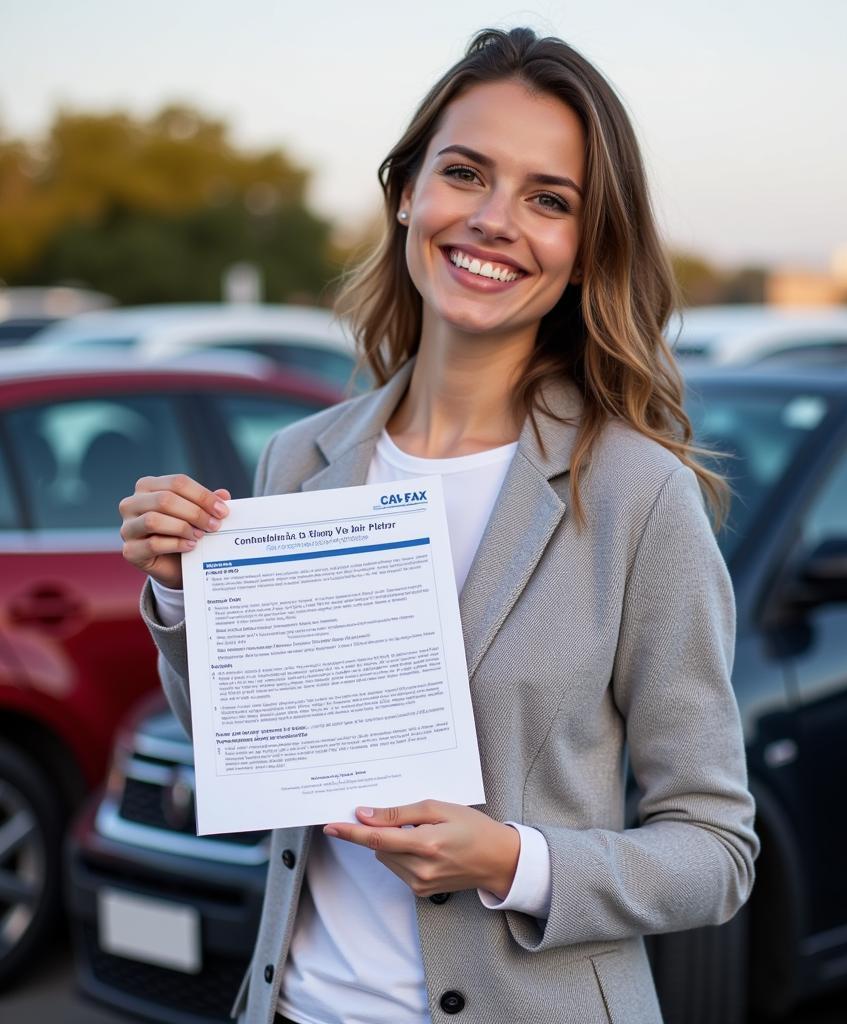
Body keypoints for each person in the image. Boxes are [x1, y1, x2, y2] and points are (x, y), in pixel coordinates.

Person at [118, 27, 758, 1024]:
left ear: (588, 250)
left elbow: (715, 852)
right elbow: (250, 758)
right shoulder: (299, 461)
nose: (496, 220)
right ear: (408, 192)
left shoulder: (640, 495)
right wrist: (173, 585)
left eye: (549, 199)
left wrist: (516, 859)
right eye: (466, 173)